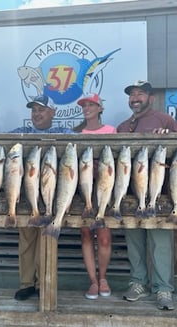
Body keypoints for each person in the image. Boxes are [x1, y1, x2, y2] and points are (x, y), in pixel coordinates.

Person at [117, 80, 177, 310]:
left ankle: (163, 289)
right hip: (131, 195)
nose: (135, 98)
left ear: (150, 98)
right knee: (134, 241)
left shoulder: (164, 120)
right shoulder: (123, 127)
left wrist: (168, 136)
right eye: (132, 94)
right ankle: (138, 284)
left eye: (140, 94)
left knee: (160, 242)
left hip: (160, 194)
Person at [9, 94, 73, 301]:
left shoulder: (65, 133)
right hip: (28, 197)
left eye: (41, 110)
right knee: (26, 241)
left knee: (48, 241)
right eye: (34, 110)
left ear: (53, 112)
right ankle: (26, 283)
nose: (36, 114)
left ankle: (43, 284)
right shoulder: (21, 133)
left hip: (55, 197)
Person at [74, 93, 116, 300]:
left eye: (92, 105)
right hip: (82, 190)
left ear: (100, 108)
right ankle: (92, 280)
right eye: (85, 105)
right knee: (86, 235)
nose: (87, 108)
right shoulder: (75, 132)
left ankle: (103, 278)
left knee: (105, 237)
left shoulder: (111, 131)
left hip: (105, 189)